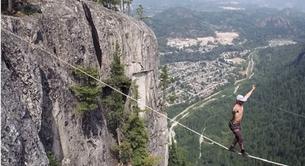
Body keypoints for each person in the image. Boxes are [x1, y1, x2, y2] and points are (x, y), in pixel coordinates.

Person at [228, 85, 256, 156]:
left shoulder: (241, 104)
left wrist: (252, 89)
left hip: (237, 124)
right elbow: (233, 110)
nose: (242, 102)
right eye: (241, 101)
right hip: (233, 124)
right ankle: (243, 151)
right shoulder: (236, 106)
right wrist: (234, 112)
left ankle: (231, 147)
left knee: (237, 137)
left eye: (242, 101)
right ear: (238, 101)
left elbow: (247, 96)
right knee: (240, 137)